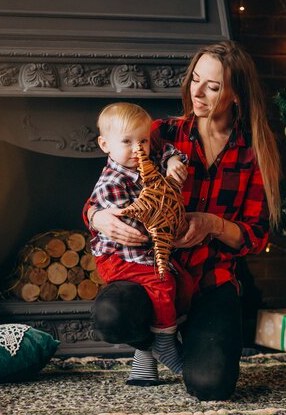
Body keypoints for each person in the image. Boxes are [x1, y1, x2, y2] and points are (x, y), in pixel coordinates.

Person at [86, 41, 281, 400]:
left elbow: (255, 235)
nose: (198, 91)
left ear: (236, 95)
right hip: (154, 270)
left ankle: (184, 332)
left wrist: (212, 224)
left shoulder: (252, 152)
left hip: (210, 278)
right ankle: (155, 344)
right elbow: (105, 189)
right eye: (195, 79)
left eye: (213, 85)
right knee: (110, 315)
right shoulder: (161, 134)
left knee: (211, 386)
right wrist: (99, 218)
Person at [85, 102, 189, 383]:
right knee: (161, 282)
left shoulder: (147, 158)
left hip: (144, 252)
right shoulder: (111, 184)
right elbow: (140, 225)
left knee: (180, 285)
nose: (138, 149)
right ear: (105, 144)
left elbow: (165, 150)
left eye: (143, 140)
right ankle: (164, 341)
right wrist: (168, 212)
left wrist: (172, 162)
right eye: (127, 142)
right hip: (120, 257)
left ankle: (145, 365)